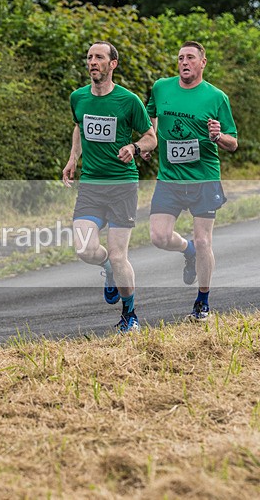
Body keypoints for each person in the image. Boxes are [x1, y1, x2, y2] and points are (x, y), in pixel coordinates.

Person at [62, 41, 157, 333]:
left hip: (121, 186)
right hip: (91, 185)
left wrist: (134, 147)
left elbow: (151, 137)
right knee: (84, 249)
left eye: (99, 57)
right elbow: (79, 126)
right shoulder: (78, 97)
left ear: (112, 64)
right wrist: (72, 159)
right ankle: (107, 271)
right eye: (89, 57)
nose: (93, 62)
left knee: (119, 256)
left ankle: (130, 315)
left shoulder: (129, 101)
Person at [143, 41, 238, 321]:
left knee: (205, 240)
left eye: (190, 58)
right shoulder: (162, 87)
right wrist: (149, 142)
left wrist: (218, 136)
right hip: (169, 178)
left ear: (202, 63)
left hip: (203, 179)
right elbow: (152, 116)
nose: (184, 62)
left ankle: (203, 301)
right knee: (158, 236)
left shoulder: (216, 97)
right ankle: (188, 250)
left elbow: (233, 143)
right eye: (181, 58)